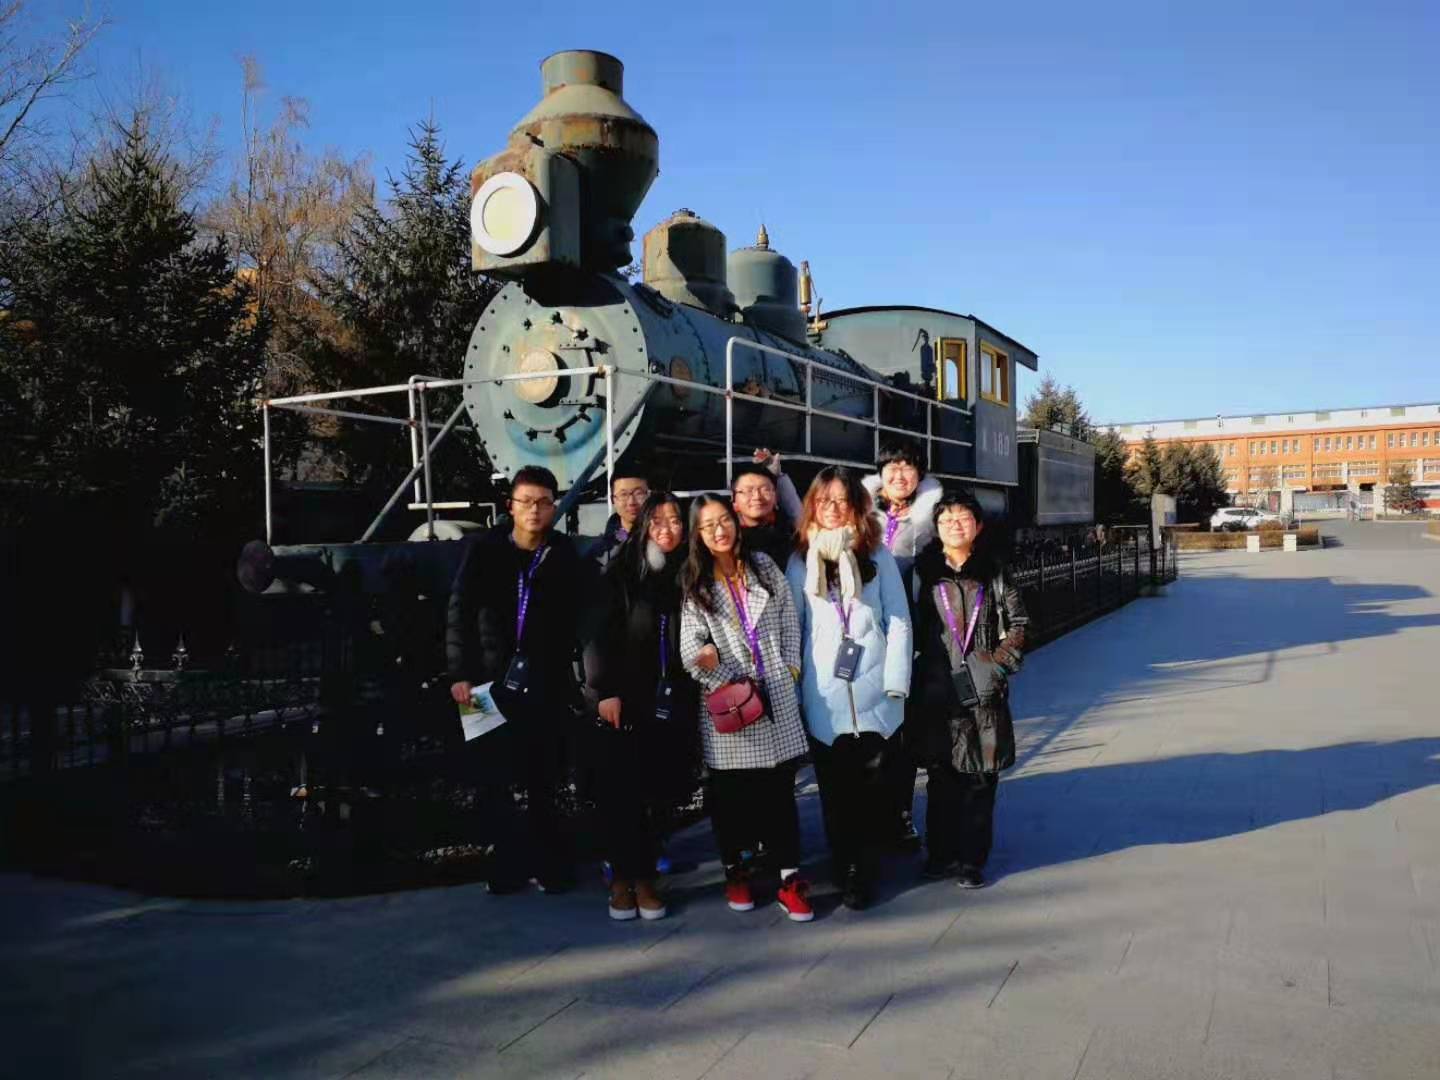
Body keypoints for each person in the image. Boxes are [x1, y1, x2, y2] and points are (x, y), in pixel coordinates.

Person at [446, 465, 585, 894]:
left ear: (554, 507)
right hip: (482, 685)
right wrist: (459, 673)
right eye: (526, 501)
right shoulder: (483, 550)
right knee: (491, 777)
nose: (534, 510)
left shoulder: (563, 554)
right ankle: (505, 863)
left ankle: (548, 863)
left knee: (543, 776)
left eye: (544, 502)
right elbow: (459, 611)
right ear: (511, 506)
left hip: (543, 682)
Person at [679, 494, 814, 922]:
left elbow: (790, 620)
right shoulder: (696, 583)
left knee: (780, 796)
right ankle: (735, 872)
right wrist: (722, 675)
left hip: (775, 693)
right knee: (732, 799)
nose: (719, 531)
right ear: (698, 535)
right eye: (708, 526)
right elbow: (690, 650)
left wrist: (790, 669)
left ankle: (789, 880)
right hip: (731, 704)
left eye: (724, 520)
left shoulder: (764, 566)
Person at [785, 467, 912, 909]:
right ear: (812, 506)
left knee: (875, 789)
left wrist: (896, 683)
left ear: (857, 506)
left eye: (842, 500)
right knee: (836, 792)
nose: (833, 508)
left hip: (876, 690)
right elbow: (793, 629)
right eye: (825, 500)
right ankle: (850, 870)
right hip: (826, 695)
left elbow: (898, 620)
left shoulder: (877, 555)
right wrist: (795, 691)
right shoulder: (800, 560)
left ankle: (869, 859)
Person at [582, 493, 697, 921]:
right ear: (645, 525)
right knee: (622, 793)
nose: (668, 528)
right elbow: (597, 635)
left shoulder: (690, 571)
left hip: (672, 698)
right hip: (625, 698)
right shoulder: (621, 571)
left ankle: (646, 876)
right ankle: (623, 880)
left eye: (676, 520)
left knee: (659, 790)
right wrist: (604, 690)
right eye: (658, 520)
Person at [911, 491, 1029, 889]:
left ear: (977, 525)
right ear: (936, 528)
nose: (954, 525)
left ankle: (971, 859)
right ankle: (940, 853)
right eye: (946, 520)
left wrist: (997, 666)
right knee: (941, 775)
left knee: (980, 776)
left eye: (963, 518)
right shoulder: (924, 573)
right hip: (936, 688)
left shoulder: (994, 571)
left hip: (982, 689)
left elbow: (1019, 624)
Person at [863, 443, 944, 852]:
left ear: (919, 474)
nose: (898, 474)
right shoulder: (862, 512)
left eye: (907, 467)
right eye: (891, 467)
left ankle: (901, 814)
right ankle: (871, 815)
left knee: (905, 734)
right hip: (868, 637)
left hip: (913, 636)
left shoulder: (933, 515)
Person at [731, 449, 803, 569]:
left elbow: (801, 520)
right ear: (734, 499)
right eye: (748, 491)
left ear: (776, 497)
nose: (757, 497)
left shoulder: (788, 530)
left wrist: (777, 475)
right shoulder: (730, 536)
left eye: (765, 490)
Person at [588, 473, 652, 568]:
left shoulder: (665, 540)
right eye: (623, 494)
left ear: (649, 495)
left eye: (638, 493)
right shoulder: (600, 553)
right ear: (613, 500)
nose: (631, 502)